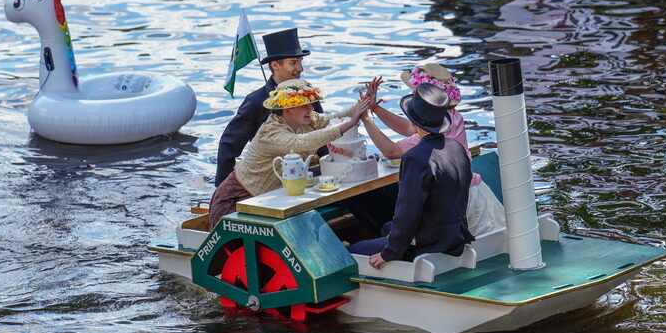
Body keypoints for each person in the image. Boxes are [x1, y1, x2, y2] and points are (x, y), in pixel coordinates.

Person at [362, 64, 505, 236]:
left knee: (385, 227)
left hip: (455, 203)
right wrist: (376, 108)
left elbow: (391, 151)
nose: (413, 95)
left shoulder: (432, 134)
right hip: (473, 193)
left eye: (416, 92)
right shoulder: (450, 117)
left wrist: (365, 118)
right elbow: (410, 127)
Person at [209, 79, 371, 229]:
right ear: (288, 110)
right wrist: (350, 123)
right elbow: (302, 142)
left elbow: (335, 119)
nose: (312, 109)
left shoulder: (308, 119)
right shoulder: (270, 132)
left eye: (311, 104)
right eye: (305, 106)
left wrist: (364, 104)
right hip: (237, 198)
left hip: (270, 199)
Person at [349, 83, 476, 268]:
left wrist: (389, 253)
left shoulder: (416, 158)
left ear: (414, 122)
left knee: (351, 252)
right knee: (386, 227)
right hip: (454, 238)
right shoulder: (456, 148)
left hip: (429, 244)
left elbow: (408, 212)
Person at [214, 28, 324, 187]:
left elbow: (321, 135)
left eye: (300, 62)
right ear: (275, 65)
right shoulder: (256, 101)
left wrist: (330, 167)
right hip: (271, 180)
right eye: (293, 63)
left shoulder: (308, 94)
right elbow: (228, 145)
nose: (300, 69)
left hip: (310, 176)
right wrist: (225, 189)